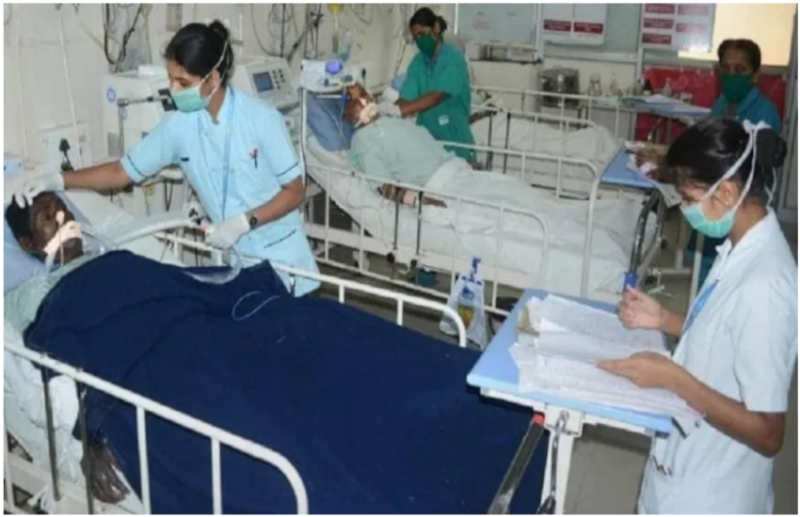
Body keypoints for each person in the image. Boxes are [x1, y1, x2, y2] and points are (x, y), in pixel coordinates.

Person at [12, 21, 319, 296]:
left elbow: (295, 191)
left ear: (212, 79)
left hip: (283, 262)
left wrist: (243, 222)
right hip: (238, 265)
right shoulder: (179, 126)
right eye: (170, 79)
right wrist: (59, 178)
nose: (173, 90)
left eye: (182, 82)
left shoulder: (261, 120)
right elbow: (121, 171)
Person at [599, 118, 796, 514]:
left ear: (727, 192)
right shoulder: (742, 247)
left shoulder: (767, 285)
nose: (685, 210)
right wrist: (665, 319)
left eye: (689, 198)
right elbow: (726, 331)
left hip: (712, 496)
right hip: (683, 473)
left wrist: (673, 378)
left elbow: (769, 431)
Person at [687, 38, 782, 288]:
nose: (731, 75)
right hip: (720, 189)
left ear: (756, 75)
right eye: (726, 68)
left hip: (747, 196)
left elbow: (759, 166)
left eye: (740, 69)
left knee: (735, 269)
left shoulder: (765, 112)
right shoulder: (721, 104)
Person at [379, 7, 475, 161]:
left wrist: (399, 111)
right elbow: (407, 97)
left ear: (435, 28)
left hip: (456, 140)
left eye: (422, 34)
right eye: (415, 37)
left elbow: (436, 96)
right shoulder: (417, 63)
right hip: (427, 142)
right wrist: (387, 113)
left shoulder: (455, 60)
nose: (419, 40)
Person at [345, 84, 449, 207]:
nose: (365, 100)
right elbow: (385, 187)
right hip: (437, 184)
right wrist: (422, 201)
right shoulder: (364, 140)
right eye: (356, 102)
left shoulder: (388, 116)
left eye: (364, 94)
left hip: (452, 166)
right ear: (350, 114)